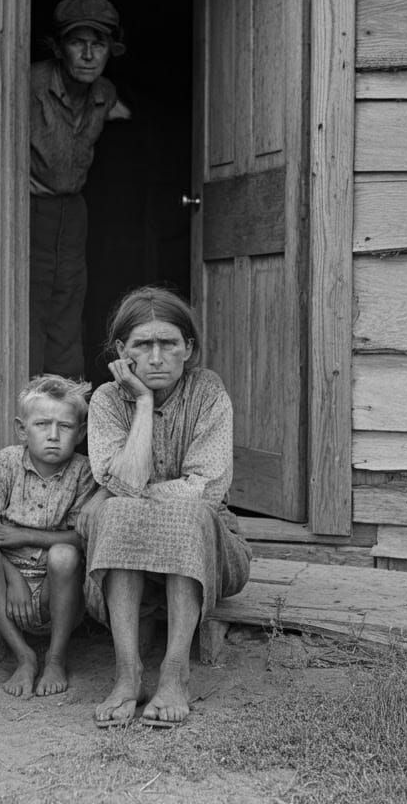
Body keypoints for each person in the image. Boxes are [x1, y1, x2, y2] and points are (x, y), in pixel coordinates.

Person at [78, 286, 252, 728]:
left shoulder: (208, 392)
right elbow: (125, 481)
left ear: (188, 348)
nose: (156, 357)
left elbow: (205, 489)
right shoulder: (107, 400)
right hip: (128, 556)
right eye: (142, 345)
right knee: (118, 512)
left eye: (169, 343)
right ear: (122, 351)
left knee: (171, 511)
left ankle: (175, 673)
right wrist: (142, 402)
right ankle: (128, 674)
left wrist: (121, 496)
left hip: (209, 554)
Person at [0, 375, 97, 698]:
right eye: (42, 424)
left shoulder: (83, 471)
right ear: (22, 429)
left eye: (65, 426)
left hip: (59, 588)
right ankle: (24, 655)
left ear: (81, 432)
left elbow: (81, 539)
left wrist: (23, 535)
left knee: (65, 555)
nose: (53, 435)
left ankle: (56, 658)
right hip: (8, 587)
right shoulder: (7, 462)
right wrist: (14, 579)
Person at [29, 0, 131, 379]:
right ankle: (29, 408)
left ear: (110, 50)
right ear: (59, 48)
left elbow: (127, 113)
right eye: (77, 42)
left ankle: (69, 408)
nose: (88, 55)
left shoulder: (104, 93)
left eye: (98, 44)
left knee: (68, 308)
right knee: (30, 308)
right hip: (29, 208)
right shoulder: (29, 84)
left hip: (72, 211)